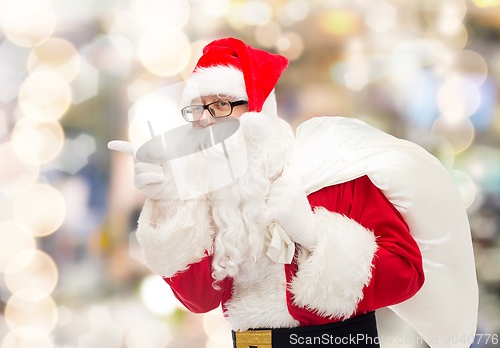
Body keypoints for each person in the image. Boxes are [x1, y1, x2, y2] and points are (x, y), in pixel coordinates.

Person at [109, 37, 478, 348]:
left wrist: (316, 234)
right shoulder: (209, 197)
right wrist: (171, 203)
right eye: (197, 110)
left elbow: (405, 274)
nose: (205, 121)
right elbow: (200, 299)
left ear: (257, 110)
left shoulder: (329, 172)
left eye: (220, 105)